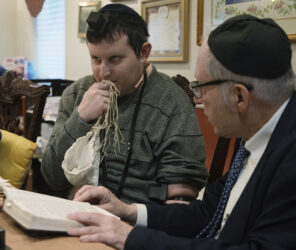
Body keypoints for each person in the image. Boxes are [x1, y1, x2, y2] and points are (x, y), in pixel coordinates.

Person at [66, 14, 296, 249]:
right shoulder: (256, 135)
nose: (198, 99)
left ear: (239, 97)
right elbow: (208, 213)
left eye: (201, 87)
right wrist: (127, 210)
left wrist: (131, 238)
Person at [41, 4, 208, 204]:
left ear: (144, 52)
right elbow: (52, 179)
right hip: (77, 217)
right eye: (96, 59)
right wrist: (81, 118)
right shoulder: (76, 94)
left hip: (137, 226)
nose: (103, 73)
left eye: (115, 59)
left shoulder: (171, 102)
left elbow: (179, 202)